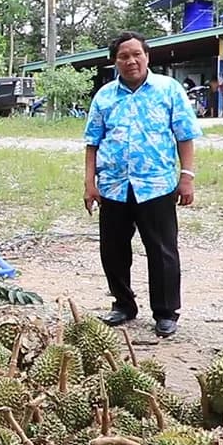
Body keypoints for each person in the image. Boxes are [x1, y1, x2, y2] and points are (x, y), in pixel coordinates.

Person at [84, 31, 201, 338]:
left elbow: (185, 135)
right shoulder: (105, 96)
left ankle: (165, 312)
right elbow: (92, 143)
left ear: (147, 56)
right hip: (113, 186)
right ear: (115, 62)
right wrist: (89, 183)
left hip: (157, 185)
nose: (131, 60)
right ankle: (123, 304)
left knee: (162, 250)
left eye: (137, 54)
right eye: (124, 56)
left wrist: (186, 176)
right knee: (113, 250)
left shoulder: (169, 90)